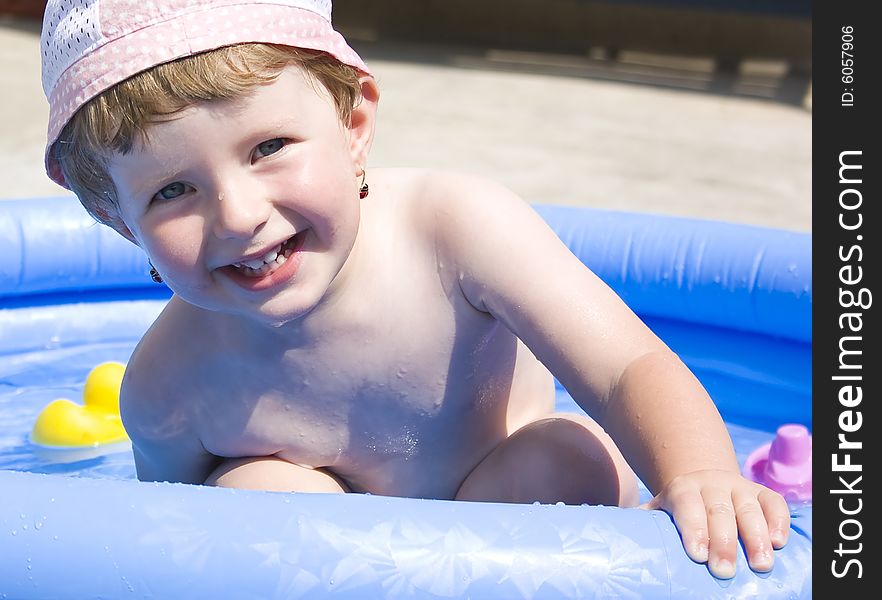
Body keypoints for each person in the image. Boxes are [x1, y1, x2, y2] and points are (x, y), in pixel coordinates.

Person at [41, 0, 789, 580]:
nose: (238, 215)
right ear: (117, 219)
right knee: (257, 491)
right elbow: (162, 553)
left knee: (572, 455)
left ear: (353, 122)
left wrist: (702, 478)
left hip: (511, 532)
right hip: (330, 575)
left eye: (268, 147)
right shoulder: (168, 387)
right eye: (173, 190)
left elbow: (627, 366)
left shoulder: (454, 230)